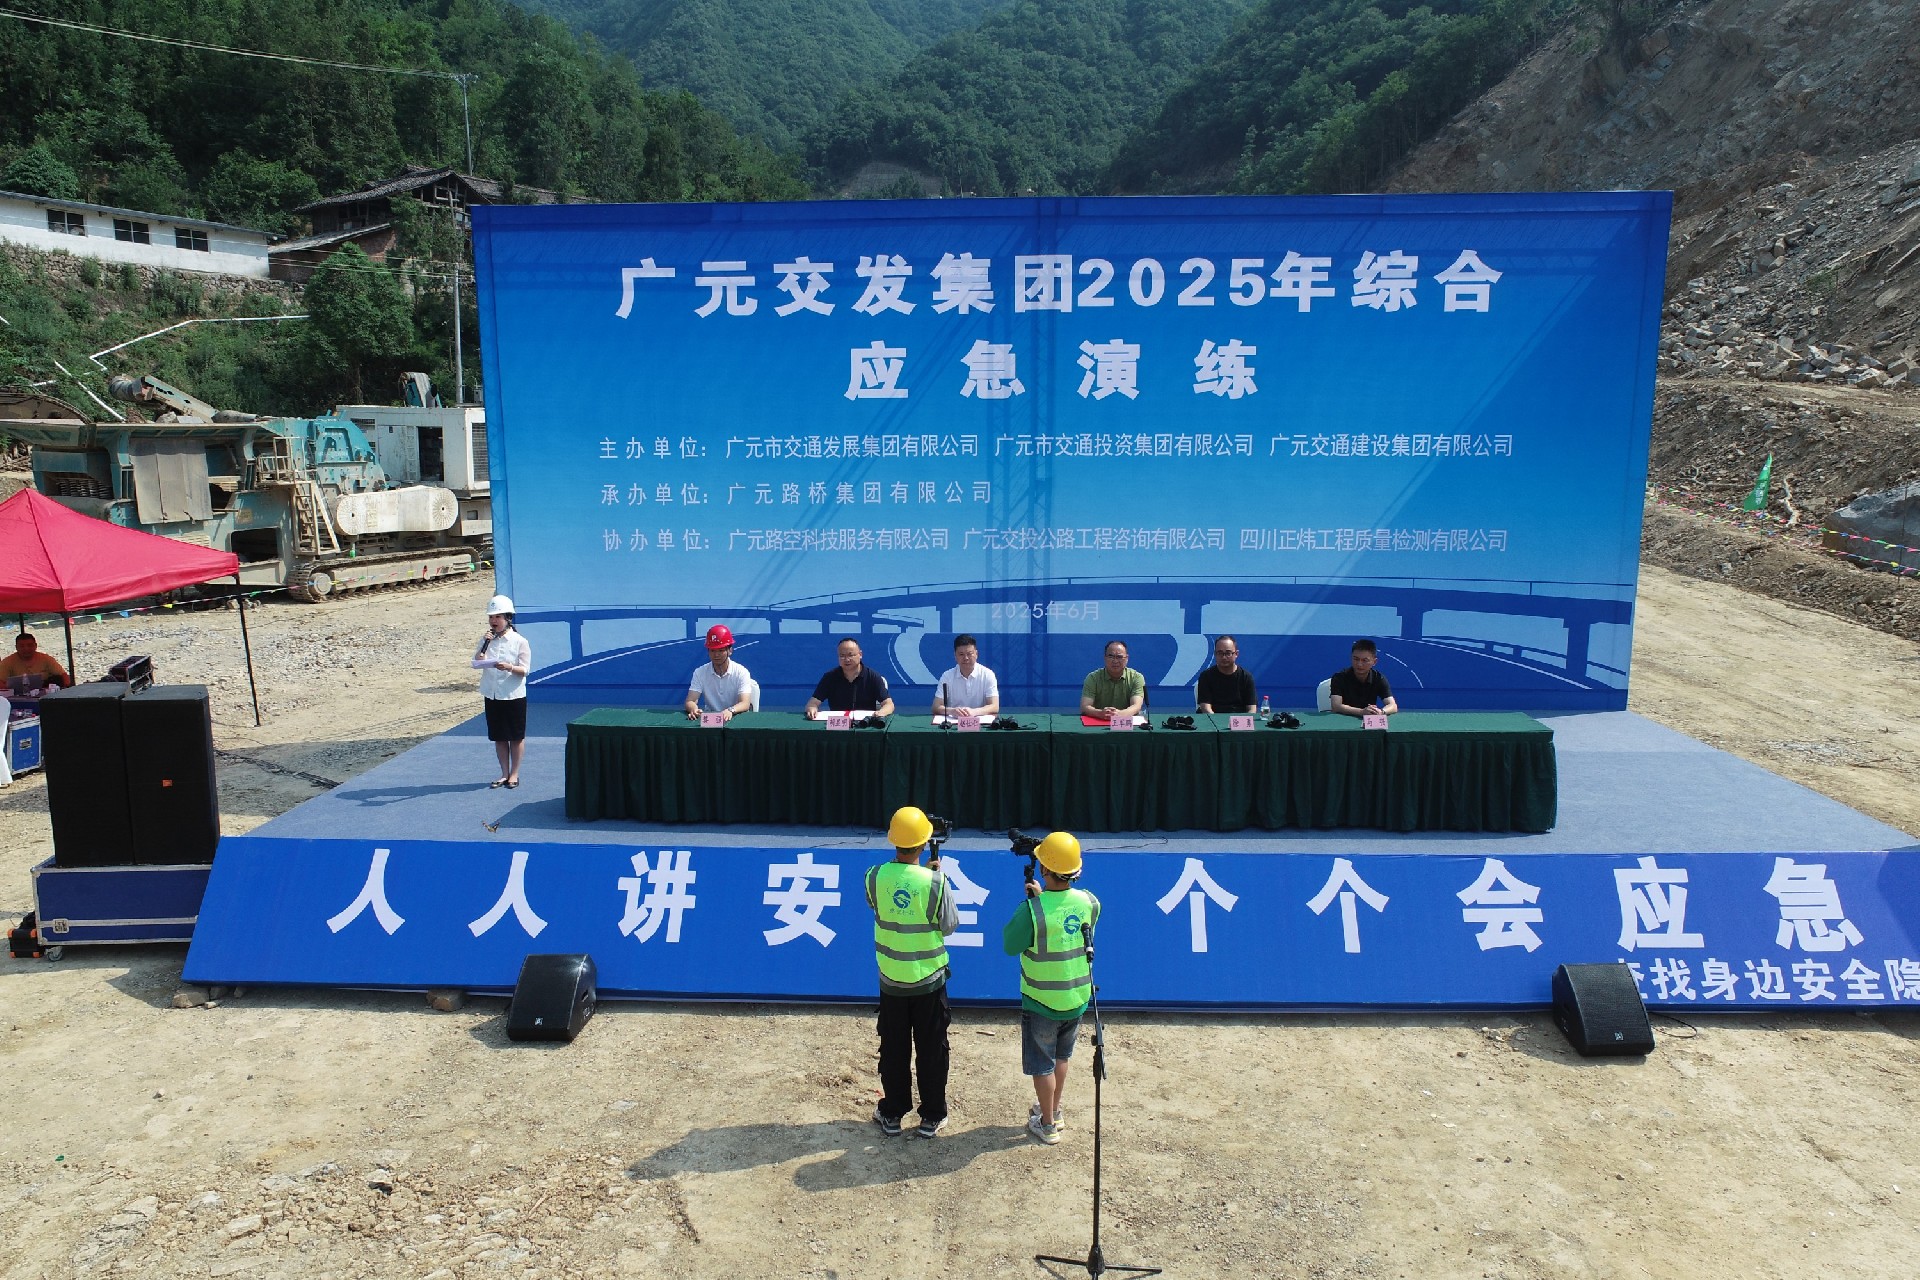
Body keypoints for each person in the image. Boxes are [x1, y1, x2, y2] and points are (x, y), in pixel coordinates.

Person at [867, 806, 959, 1139]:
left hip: (891, 981)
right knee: (932, 1048)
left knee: (893, 1047)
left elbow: (877, 905)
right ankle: (932, 1115)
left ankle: (892, 1112)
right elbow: (949, 926)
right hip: (928, 982)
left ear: (893, 841)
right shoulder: (936, 882)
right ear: (923, 844)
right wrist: (934, 880)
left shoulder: (874, 876)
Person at [1002, 831, 1100, 1145]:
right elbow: (1065, 922)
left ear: (1044, 869)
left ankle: (1046, 1124)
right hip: (1076, 998)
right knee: (1061, 1058)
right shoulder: (1090, 902)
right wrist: (1043, 898)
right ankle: (1054, 1110)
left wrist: (1035, 902)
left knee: (1042, 1065)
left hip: (1041, 1001)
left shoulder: (1032, 910)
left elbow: (1010, 944)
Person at [474, 594, 531, 787]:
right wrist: (484, 645)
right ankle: (504, 773)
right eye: (491, 617)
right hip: (492, 694)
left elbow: (525, 670)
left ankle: (514, 774)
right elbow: (477, 661)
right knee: (499, 737)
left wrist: (509, 667)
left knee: (515, 737)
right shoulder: (487, 640)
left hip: (513, 695)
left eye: (498, 616)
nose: (493, 621)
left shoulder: (519, 641)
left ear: (508, 618)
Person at [805, 638, 895, 718]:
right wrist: (812, 708)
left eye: (850, 655)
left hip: (865, 725)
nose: (847, 659)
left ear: (860, 654)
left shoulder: (873, 677)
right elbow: (813, 702)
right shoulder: (830, 677)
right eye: (842, 656)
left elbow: (888, 704)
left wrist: (881, 713)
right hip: (838, 725)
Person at [684, 624, 752, 720]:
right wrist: (694, 709)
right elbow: (690, 700)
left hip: (736, 717)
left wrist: (730, 710)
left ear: (730, 651)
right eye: (712, 650)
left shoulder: (741, 672)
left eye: (721, 650)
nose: (716, 655)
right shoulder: (700, 672)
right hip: (711, 719)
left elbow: (745, 703)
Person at [931, 633, 999, 718]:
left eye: (969, 654)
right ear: (955, 656)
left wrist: (974, 712)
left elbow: (994, 706)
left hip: (980, 722)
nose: (966, 658)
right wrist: (952, 711)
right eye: (961, 654)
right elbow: (936, 707)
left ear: (976, 654)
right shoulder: (947, 676)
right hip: (954, 721)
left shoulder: (988, 674)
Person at [1329, 638, 1399, 717]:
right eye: (1356, 659)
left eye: (1365, 660)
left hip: (1368, 721)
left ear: (1374, 662)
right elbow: (1336, 706)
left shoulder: (1379, 678)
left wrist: (1381, 712)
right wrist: (1361, 712)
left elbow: (1393, 706)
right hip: (1343, 718)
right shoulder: (1339, 677)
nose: (1359, 664)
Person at [1078, 640, 1144, 723]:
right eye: (1111, 656)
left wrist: (1119, 714)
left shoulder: (1136, 677)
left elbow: (1136, 706)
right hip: (1099, 721)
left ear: (1127, 658)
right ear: (1105, 658)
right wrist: (1100, 713)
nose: (1115, 661)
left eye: (1119, 657)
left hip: (1126, 724)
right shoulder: (1093, 678)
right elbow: (1085, 707)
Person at [1195, 634, 1256, 714]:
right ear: (1215, 654)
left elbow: (1252, 709)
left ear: (1236, 654)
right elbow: (1205, 708)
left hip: (1238, 719)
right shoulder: (1206, 676)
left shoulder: (1246, 677)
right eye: (1220, 653)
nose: (1224, 657)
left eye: (1228, 653)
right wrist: (1217, 721)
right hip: (1213, 718)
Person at [0, 633, 72, 689]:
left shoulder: (46, 658)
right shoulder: (7, 662)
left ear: (35, 645)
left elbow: (63, 675)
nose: (26, 649)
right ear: (16, 647)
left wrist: (67, 688)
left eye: (30, 645)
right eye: (22, 646)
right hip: (18, 694)